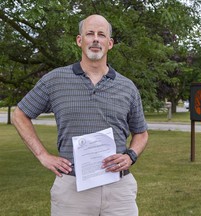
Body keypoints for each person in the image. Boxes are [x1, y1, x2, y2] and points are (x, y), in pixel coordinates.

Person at [12, 14, 149, 216]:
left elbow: (141, 133)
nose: (95, 39)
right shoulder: (55, 80)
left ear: (109, 43)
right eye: (90, 33)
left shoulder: (127, 87)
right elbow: (19, 114)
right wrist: (42, 155)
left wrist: (131, 155)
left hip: (118, 189)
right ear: (79, 40)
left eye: (101, 35)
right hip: (72, 189)